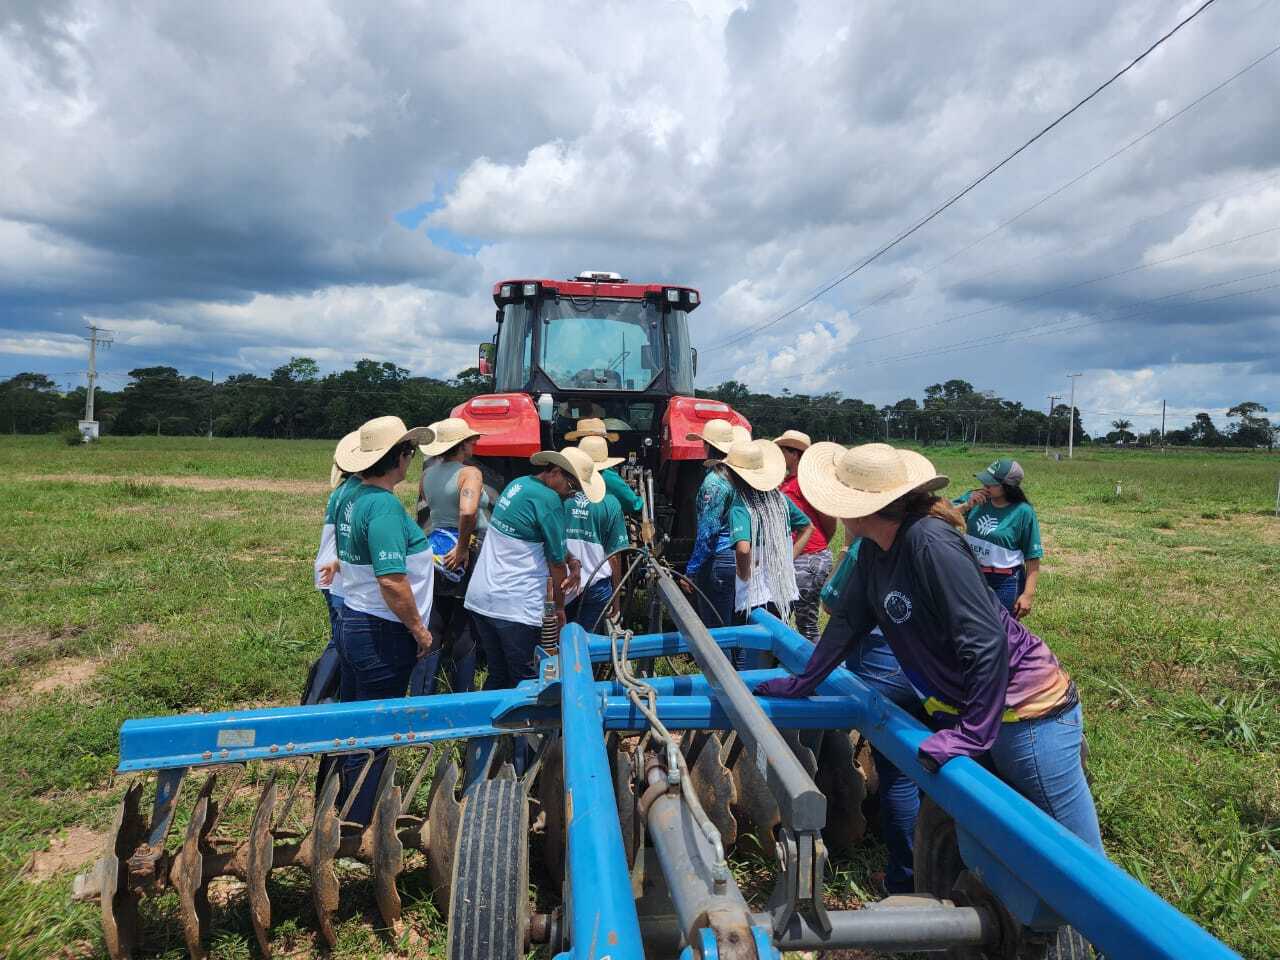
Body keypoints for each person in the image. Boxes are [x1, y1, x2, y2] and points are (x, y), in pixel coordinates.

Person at [757, 443, 1104, 867]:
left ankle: (1111, 931)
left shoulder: (930, 542)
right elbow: (846, 624)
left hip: (1028, 711)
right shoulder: (874, 552)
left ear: (861, 508)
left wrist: (973, 733)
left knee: (1079, 861)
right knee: (997, 845)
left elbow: (985, 639)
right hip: (975, 711)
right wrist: (804, 681)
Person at [333, 416, 437, 826]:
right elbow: (392, 581)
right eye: (409, 452)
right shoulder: (385, 508)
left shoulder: (352, 495)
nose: (410, 459)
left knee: (356, 719)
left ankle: (342, 803)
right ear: (399, 458)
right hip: (381, 631)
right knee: (375, 731)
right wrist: (419, 630)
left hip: (354, 618)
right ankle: (359, 823)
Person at [465, 446, 604, 690]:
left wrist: (573, 558)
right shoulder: (549, 500)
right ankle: (526, 729)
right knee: (527, 680)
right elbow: (556, 564)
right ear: (557, 473)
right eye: (573, 488)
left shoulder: (519, 485)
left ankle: (489, 727)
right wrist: (559, 609)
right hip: (515, 607)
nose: (572, 495)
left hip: (482, 599)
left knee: (498, 674)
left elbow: (535, 538)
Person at [410, 418, 491, 696]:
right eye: (470, 440)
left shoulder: (427, 475)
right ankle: (462, 691)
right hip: (465, 548)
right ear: (461, 445)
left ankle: (423, 691)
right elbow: (468, 512)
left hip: (436, 547)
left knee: (436, 617)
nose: (474, 444)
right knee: (465, 623)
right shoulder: (470, 473)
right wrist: (463, 548)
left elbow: (429, 508)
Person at [717, 438, 811, 669]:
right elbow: (807, 526)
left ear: (733, 474)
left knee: (749, 652)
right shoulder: (779, 500)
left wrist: (744, 574)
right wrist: (786, 559)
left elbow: (743, 548)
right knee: (772, 648)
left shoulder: (741, 505)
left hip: (754, 597)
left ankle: (749, 696)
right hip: (780, 591)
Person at [305, 447, 363, 705]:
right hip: (337, 574)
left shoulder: (343, 489)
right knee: (340, 642)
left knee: (340, 638)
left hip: (330, 568)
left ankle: (322, 696)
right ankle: (317, 700)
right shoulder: (357, 492)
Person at [683, 418, 751, 628]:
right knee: (735, 625)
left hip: (717, 561)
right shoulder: (736, 476)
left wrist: (691, 571)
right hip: (736, 561)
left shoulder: (714, 482)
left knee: (717, 630)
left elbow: (707, 532)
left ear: (707, 446)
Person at [954, 458, 1043, 618]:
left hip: (1005, 581)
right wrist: (966, 505)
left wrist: (1028, 595)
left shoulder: (1023, 512)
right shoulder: (973, 498)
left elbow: (1032, 557)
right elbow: (939, 516)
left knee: (1002, 631)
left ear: (1008, 487)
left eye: (992, 483)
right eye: (985, 481)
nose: (985, 486)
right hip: (971, 574)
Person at [776, 430, 836, 643]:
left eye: (782, 451)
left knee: (806, 623)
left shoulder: (806, 483)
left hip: (807, 558)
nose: (779, 455)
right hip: (800, 554)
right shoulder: (788, 481)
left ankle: (813, 667)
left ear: (795, 454)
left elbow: (829, 519)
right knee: (787, 616)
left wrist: (814, 547)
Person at [564, 435, 629, 631]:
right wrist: (616, 598)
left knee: (558, 639)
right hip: (596, 585)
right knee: (587, 643)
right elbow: (614, 556)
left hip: (563, 582)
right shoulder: (610, 504)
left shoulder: (560, 497)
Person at [565, 417, 645, 515]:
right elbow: (635, 505)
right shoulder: (609, 477)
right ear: (604, 444)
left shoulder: (564, 473)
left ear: (577, 444)